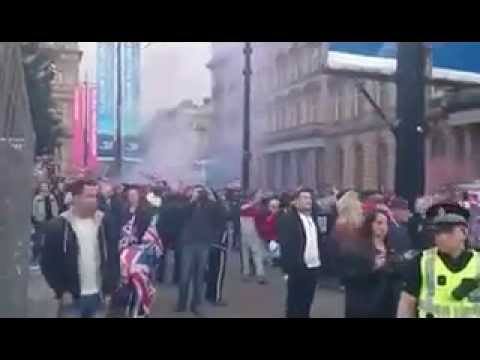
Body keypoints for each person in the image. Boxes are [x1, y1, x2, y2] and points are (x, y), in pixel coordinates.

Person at [40, 179, 119, 318]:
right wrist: (61, 290)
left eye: (96, 196)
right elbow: (47, 263)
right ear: (75, 198)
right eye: (89, 196)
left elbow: (113, 257)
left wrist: (110, 289)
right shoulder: (59, 226)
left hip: (98, 296)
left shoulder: (104, 223)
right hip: (72, 297)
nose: (94, 201)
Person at [397, 203, 480, 318]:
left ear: (464, 232)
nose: (440, 236)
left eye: (447, 231)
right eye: (437, 231)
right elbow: (407, 304)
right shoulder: (421, 261)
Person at [176, 185, 226, 316]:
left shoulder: (212, 205)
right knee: (184, 275)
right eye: (196, 192)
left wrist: (215, 197)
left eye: (200, 192)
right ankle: (182, 303)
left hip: (204, 243)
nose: (198, 195)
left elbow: (224, 216)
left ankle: (196, 304)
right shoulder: (188, 205)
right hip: (188, 243)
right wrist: (191, 201)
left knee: (200, 276)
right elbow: (180, 215)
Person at [278, 189, 322, 318]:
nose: (308, 201)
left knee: (306, 303)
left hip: (313, 266)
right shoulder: (288, 219)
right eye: (304, 198)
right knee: (294, 304)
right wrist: (287, 269)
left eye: (310, 198)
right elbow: (286, 246)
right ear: (295, 201)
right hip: (297, 268)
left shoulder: (314, 217)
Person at [240, 191, 269, 284]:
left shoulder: (245, 207)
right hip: (253, 233)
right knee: (256, 253)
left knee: (246, 254)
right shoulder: (253, 209)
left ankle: (246, 273)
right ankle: (260, 275)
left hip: (244, 233)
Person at [31, 182, 59, 269]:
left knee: (50, 241)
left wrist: (56, 216)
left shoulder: (52, 197)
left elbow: (56, 207)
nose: (44, 188)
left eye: (46, 187)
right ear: (40, 188)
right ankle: (35, 259)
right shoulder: (37, 198)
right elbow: (33, 210)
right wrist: (36, 219)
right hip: (41, 222)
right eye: (43, 187)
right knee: (38, 241)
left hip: (51, 221)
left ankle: (48, 260)